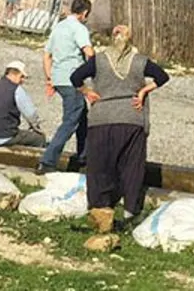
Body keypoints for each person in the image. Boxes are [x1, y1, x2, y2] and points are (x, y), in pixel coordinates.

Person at [69, 25, 169, 232]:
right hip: (131, 118)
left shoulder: (98, 60)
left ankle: (99, 209)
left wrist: (87, 91)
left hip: (102, 118)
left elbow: (75, 78)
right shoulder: (140, 61)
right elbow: (162, 76)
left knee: (99, 165)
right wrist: (142, 91)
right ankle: (130, 211)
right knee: (131, 166)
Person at [39, 0, 96, 174]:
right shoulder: (79, 29)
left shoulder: (59, 26)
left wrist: (50, 78)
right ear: (85, 13)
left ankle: (84, 157)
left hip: (59, 78)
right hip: (73, 79)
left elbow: (46, 55)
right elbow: (89, 52)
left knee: (82, 118)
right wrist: (95, 72)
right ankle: (47, 161)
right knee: (71, 120)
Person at [0, 61, 46, 149]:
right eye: (22, 77)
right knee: (38, 139)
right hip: (2, 136)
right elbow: (31, 114)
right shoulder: (16, 90)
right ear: (14, 74)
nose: (22, 81)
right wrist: (36, 127)